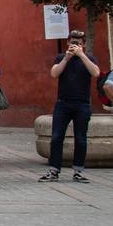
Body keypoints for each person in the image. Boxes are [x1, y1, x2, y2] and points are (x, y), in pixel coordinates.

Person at [43, 30, 100, 183]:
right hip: (63, 103)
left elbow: (96, 73)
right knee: (56, 137)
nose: (75, 45)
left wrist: (81, 55)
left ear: (84, 45)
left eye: (79, 43)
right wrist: (66, 58)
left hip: (82, 104)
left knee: (81, 139)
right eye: (73, 42)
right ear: (68, 42)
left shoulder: (89, 58)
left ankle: (78, 171)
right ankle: (54, 170)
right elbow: (54, 74)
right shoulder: (61, 57)